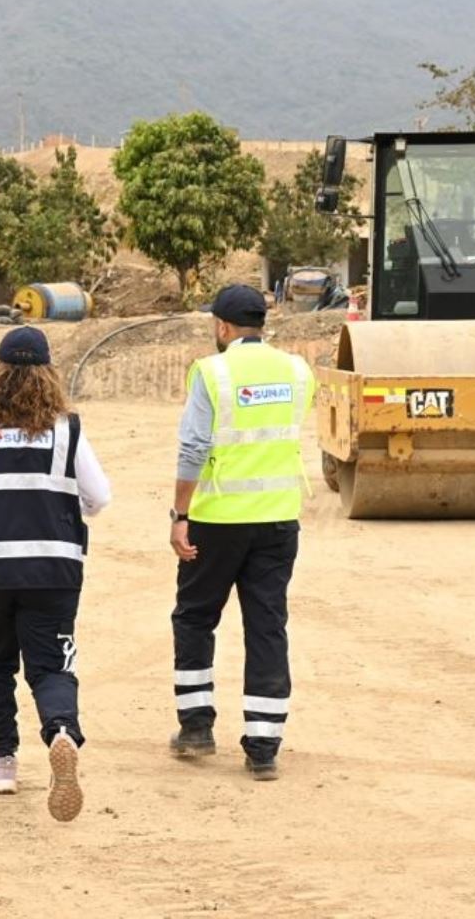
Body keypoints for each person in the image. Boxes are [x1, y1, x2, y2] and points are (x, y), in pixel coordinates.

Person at [0, 326, 111, 822]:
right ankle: (60, 732)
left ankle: (1, 764)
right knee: (52, 665)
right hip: (54, 568)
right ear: (48, 373)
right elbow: (99, 498)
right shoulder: (67, 428)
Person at [168, 283, 315, 781]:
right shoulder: (297, 371)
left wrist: (178, 515)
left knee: (194, 618)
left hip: (218, 519)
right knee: (267, 626)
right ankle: (264, 746)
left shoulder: (212, 372)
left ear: (223, 327)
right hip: (277, 519)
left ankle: (196, 727)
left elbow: (192, 449)